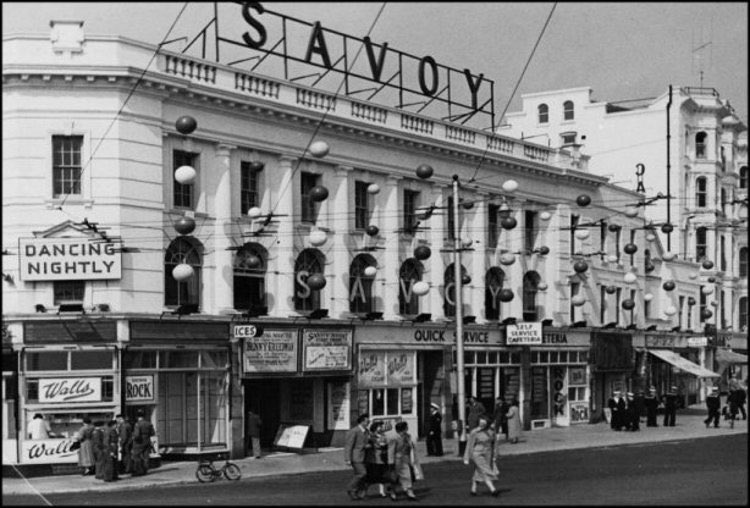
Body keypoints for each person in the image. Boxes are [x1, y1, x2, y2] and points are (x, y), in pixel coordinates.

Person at [462, 414, 500, 497]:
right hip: (477, 453)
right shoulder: (474, 432)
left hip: (488, 452)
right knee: (484, 469)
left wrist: (495, 455)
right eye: (480, 422)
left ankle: (473, 489)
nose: (482, 424)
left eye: (484, 422)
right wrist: (466, 457)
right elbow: (469, 445)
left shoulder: (491, 431)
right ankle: (492, 489)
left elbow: (495, 443)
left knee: (479, 470)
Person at [387, 421, 420, 501]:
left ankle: (410, 492)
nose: (407, 428)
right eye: (406, 427)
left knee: (407, 475)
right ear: (403, 429)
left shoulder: (407, 436)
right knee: (395, 477)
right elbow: (391, 450)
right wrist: (391, 462)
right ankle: (393, 492)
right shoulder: (394, 438)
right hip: (397, 459)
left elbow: (410, 446)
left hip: (405, 459)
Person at [344, 413, 370, 501]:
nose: (368, 422)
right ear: (362, 422)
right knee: (362, 473)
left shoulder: (366, 431)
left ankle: (357, 492)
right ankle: (350, 488)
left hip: (365, 456)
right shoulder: (354, 431)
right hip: (356, 457)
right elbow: (348, 445)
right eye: (367, 421)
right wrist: (347, 459)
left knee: (361, 475)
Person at [364, 421, 390, 498]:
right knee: (371, 477)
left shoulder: (384, 436)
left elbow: (386, 445)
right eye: (379, 426)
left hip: (382, 459)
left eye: (381, 427)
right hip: (373, 459)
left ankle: (382, 491)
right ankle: (364, 491)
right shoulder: (371, 436)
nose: (381, 428)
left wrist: (385, 447)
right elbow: (368, 445)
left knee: (382, 477)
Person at [131, 410, 155, 476]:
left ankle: (138, 470)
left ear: (137, 417)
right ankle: (145, 470)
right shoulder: (149, 423)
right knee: (146, 456)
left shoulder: (137, 424)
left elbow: (137, 435)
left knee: (136, 456)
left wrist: (133, 438)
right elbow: (153, 433)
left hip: (139, 442)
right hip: (147, 441)